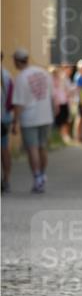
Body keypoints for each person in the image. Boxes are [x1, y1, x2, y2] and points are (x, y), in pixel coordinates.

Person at [11, 48, 54, 193]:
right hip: (45, 115)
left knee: (32, 149)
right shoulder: (43, 72)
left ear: (17, 61)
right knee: (42, 147)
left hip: (29, 118)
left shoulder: (21, 77)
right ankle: (42, 175)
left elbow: (18, 104)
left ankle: (37, 178)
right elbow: (51, 95)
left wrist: (15, 122)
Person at [49, 65, 70, 144]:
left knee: (63, 121)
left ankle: (61, 137)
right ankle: (56, 137)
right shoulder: (51, 81)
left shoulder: (60, 79)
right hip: (57, 103)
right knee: (57, 122)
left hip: (63, 102)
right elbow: (53, 93)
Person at [1, 53, 13, 192]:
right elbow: (11, 101)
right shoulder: (7, 75)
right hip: (4, 117)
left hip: (2, 117)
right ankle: (7, 179)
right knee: (4, 149)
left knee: (4, 150)